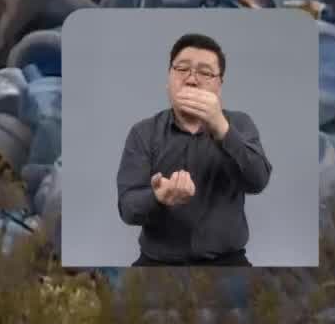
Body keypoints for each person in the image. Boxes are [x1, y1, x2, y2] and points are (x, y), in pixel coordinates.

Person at [115, 32, 273, 267]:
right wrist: (158, 197)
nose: (191, 80)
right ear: (168, 78)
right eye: (182, 69)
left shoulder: (239, 124)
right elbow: (127, 208)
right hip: (157, 265)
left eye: (205, 72)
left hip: (228, 264)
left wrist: (221, 129)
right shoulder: (144, 133)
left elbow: (258, 181)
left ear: (219, 85)